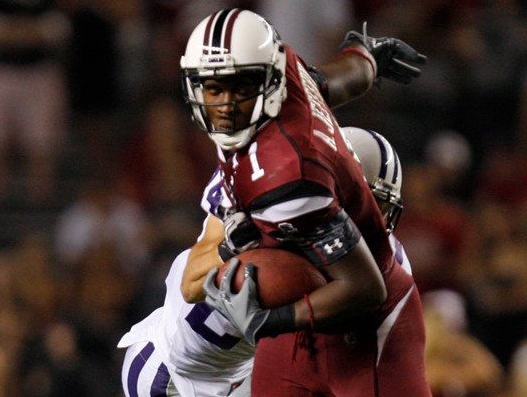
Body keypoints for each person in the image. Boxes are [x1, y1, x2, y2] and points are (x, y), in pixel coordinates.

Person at [180, 8, 430, 396]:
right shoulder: (281, 75)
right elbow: (331, 81)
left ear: (268, 80)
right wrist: (364, 56)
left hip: (364, 328)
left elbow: (367, 288)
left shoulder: (289, 177)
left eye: (240, 87)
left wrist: (273, 321)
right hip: (297, 315)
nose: (225, 106)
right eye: (213, 88)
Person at [119, 125, 414, 396]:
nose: (369, 221)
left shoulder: (385, 265)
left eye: (380, 207)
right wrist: (233, 245)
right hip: (175, 376)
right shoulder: (266, 198)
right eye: (358, 204)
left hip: (247, 377)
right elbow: (193, 283)